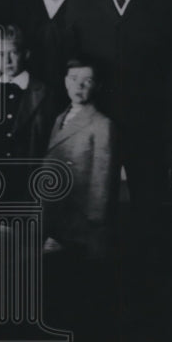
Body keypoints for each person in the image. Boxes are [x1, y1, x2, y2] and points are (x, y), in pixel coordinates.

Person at [63, 0, 172, 221]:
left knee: (150, 213)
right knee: (95, 211)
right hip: (97, 123)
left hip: (150, 125)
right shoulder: (81, 2)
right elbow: (70, 60)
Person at [44, 59, 117, 257]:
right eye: (74, 79)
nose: (79, 86)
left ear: (97, 85)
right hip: (54, 212)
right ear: (65, 81)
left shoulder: (102, 124)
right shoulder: (60, 118)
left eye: (88, 80)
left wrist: (93, 225)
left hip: (79, 222)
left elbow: (100, 183)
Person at [0, 26, 55, 199]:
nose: (8, 60)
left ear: (25, 54)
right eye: (2, 55)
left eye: (13, 53)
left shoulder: (43, 92)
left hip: (31, 182)